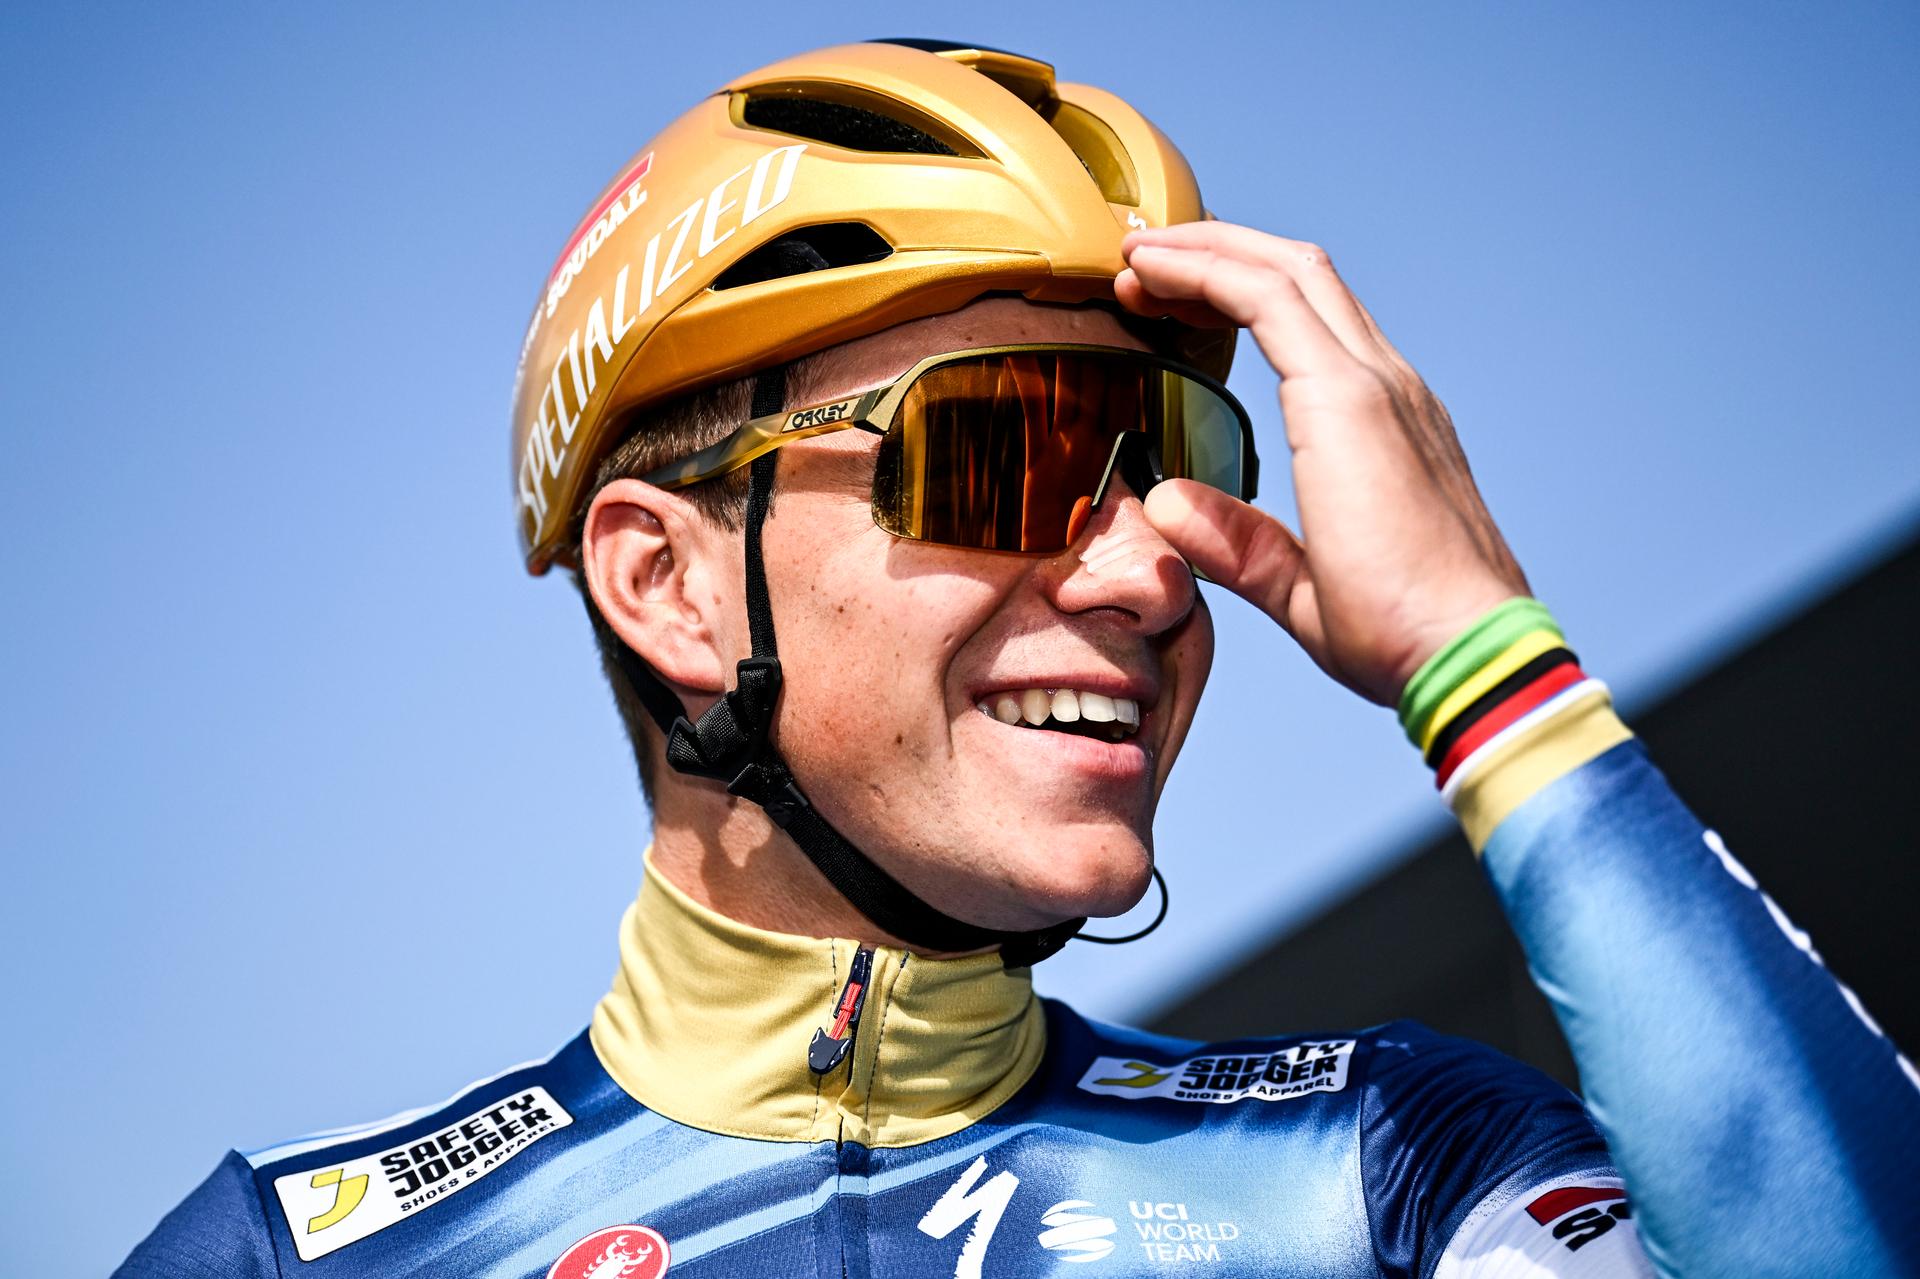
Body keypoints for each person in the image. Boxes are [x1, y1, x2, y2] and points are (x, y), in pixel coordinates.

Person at [119, 39, 1919, 1279]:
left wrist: (1487, 665)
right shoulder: (296, 1251)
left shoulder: (1382, 1163)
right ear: (667, 586)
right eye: (1003, 456)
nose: (1145, 567)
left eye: (1181, 464)